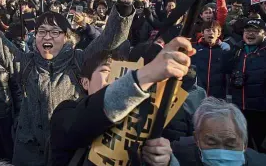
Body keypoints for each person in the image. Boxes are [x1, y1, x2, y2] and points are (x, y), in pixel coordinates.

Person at [0, 0, 139, 165]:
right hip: (28, 155)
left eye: (54, 32)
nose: (47, 36)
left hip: (68, 153)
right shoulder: (26, 63)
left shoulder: (79, 60)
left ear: (67, 38)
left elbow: (111, 39)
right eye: (42, 31)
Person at [50, 37, 195, 165]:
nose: (115, 78)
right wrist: (145, 75)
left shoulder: (143, 124)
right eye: (106, 70)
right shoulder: (65, 112)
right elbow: (88, 117)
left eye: (123, 73)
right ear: (85, 82)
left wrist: (165, 160)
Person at [172, 97, 266, 165]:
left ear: (244, 144)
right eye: (211, 143)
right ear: (197, 139)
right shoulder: (176, 155)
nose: (221, 153)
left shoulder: (261, 162)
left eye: (230, 145)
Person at [224, 18, 266, 153]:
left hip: (261, 110)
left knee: (261, 148)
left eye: (255, 31)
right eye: (248, 31)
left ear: (264, 34)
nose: (250, 34)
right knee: (242, 147)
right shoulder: (238, 50)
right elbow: (224, 69)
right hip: (239, 108)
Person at [191, 21, 227, 98]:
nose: (211, 33)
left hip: (217, 95)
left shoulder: (224, 51)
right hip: (197, 93)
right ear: (202, 33)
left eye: (214, 30)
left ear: (219, 34)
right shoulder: (194, 49)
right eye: (208, 30)